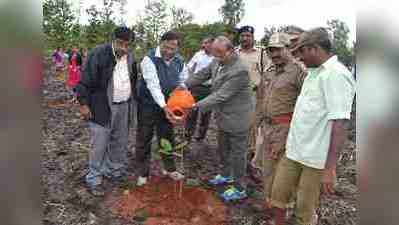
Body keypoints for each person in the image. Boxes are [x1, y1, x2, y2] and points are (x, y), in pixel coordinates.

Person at [270, 28, 356, 225]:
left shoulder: (335, 76)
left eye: (302, 52)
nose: (299, 58)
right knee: (278, 195)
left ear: (315, 49)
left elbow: (340, 123)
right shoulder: (313, 73)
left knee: (304, 209)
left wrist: (330, 168)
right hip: (294, 151)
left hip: (315, 159)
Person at [184, 36, 252, 201]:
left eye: (220, 53)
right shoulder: (217, 61)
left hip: (238, 118)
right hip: (223, 116)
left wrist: (194, 106)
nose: (216, 57)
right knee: (223, 148)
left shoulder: (239, 70)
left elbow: (221, 95)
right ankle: (226, 174)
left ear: (231, 50)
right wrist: (184, 85)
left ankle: (239, 187)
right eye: (214, 53)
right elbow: (201, 74)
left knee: (238, 154)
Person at [75, 26, 137, 196]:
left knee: (119, 141)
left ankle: (114, 171)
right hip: (102, 106)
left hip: (124, 105)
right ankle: (94, 178)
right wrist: (83, 104)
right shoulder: (99, 54)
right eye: (119, 43)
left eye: (127, 45)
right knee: (99, 144)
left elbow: (133, 80)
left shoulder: (130, 57)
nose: (123, 48)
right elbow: (84, 81)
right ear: (113, 40)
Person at [252, 32, 307, 207]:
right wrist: (254, 126)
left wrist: (287, 135)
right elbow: (261, 99)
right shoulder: (269, 71)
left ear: (288, 49)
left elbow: (306, 106)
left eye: (278, 50)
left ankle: (285, 209)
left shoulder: (299, 72)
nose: (274, 54)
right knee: (267, 170)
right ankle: (271, 205)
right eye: (271, 51)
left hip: (286, 131)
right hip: (267, 129)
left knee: (283, 174)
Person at [135, 31, 186, 186]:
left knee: (167, 137)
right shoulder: (148, 60)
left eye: (173, 49)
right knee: (144, 138)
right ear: (161, 43)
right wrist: (164, 106)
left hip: (169, 105)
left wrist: (182, 100)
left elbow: (183, 81)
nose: (169, 52)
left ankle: (169, 169)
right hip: (148, 105)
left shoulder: (179, 61)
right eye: (166, 47)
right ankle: (143, 173)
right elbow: (153, 85)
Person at [235, 25, 270, 172]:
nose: (245, 38)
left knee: (252, 126)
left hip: (254, 95)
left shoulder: (261, 53)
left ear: (253, 37)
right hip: (235, 95)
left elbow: (267, 73)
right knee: (236, 123)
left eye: (248, 36)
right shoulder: (234, 53)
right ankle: (236, 152)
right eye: (242, 35)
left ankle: (250, 156)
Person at [184, 36, 214, 142]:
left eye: (207, 43)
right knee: (192, 111)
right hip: (196, 87)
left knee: (206, 113)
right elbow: (189, 67)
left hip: (209, 88)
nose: (205, 45)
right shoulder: (198, 55)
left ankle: (201, 136)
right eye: (204, 43)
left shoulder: (217, 57)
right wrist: (189, 81)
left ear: (212, 44)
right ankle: (188, 134)